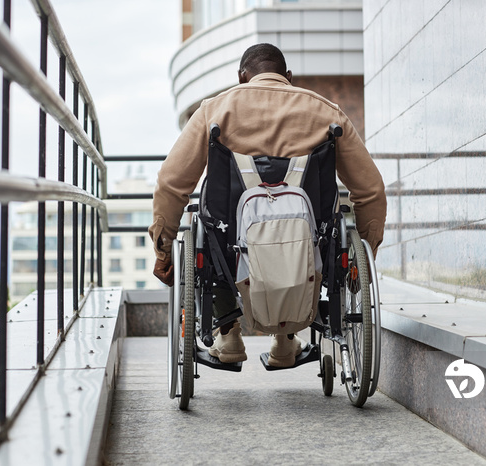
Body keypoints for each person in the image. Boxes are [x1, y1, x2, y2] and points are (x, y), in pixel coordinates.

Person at [149, 43, 387, 367]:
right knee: (313, 234)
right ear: (288, 77)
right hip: (309, 244)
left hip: (230, 246)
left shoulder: (214, 110)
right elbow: (370, 189)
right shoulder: (326, 112)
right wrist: (366, 253)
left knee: (210, 230)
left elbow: (171, 184)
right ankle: (286, 341)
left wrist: (163, 250)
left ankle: (229, 332)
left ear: (242, 77)